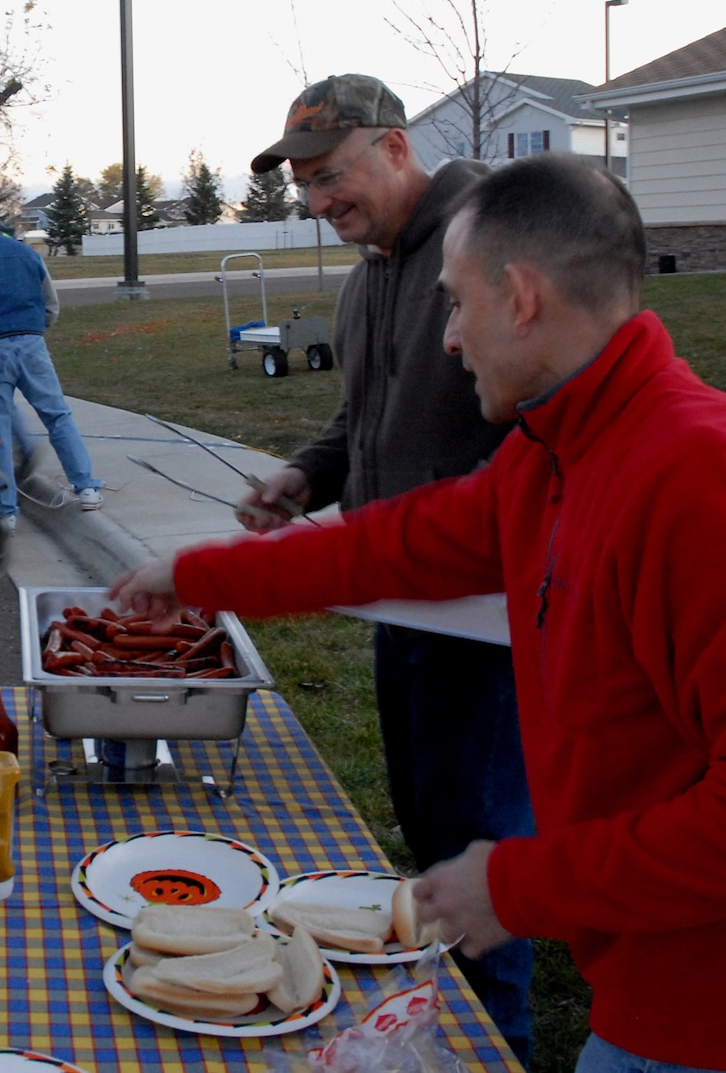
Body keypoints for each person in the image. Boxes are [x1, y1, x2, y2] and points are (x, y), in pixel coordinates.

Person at [114, 154, 726, 1073]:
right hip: (646, 961)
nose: (447, 337)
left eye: (455, 302)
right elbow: (398, 543)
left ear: (519, 297)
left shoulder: (697, 480)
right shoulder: (558, 445)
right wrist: (199, 576)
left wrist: (514, 883)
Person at [229, 73, 528, 1054]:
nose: (318, 202)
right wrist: (299, 479)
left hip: (487, 617)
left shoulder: (486, 245)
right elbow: (357, 417)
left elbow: (539, 430)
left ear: (393, 147)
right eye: (304, 186)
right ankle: (442, 1014)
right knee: (425, 821)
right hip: (399, 605)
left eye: (329, 175)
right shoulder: (366, 277)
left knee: (480, 840)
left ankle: (495, 1037)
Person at [0, 210, 101, 531]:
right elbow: (50, 303)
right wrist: (35, 329)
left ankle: (5, 509)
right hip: (32, 346)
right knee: (57, 414)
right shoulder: (28, 254)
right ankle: (87, 487)